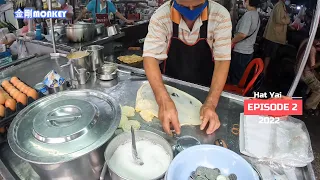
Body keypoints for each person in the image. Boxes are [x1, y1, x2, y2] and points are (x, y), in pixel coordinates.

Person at [143, 0, 232, 135]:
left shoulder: (220, 16)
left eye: (197, 6)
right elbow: (150, 58)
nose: (191, 10)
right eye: (184, 6)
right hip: (169, 90)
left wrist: (211, 103)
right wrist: (163, 100)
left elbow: (222, 61)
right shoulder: (161, 16)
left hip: (205, 90)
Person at [229, 0, 260, 85]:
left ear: (248, 1)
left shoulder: (248, 15)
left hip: (241, 51)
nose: (243, 1)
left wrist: (231, 41)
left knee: (235, 76)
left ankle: (233, 94)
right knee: (241, 75)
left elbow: (242, 34)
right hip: (248, 51)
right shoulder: (256, 14)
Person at [295, 29, 320, 116]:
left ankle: (312, 106)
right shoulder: (312, 48)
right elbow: (312, 66)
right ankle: (307, 106)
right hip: (304, 74)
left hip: (297, 68)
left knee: (316, 79)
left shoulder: (306, 40)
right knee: (319, 89)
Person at [263, 0, 290, 77]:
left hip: (275, 35)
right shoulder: (279, 6)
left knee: (270, 55)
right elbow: (279, 20)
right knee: (269, 54)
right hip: (274, 35)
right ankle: (263, 72)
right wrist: (288, 20)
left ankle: (265, 72)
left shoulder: (281, 5)